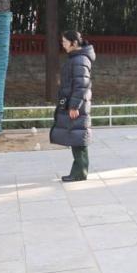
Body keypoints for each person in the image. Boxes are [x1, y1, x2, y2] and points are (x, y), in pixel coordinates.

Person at [51, 30, 95, 182]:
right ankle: (79, 171)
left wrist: (74, 106)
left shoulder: (80, 59)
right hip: (74, 103)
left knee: (78, 137)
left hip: (77, 106)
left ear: (74, 43)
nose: (63, 44)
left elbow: (82, 84)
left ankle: (80, 172)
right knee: (76, 136)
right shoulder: (76, 58)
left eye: (65, 42)